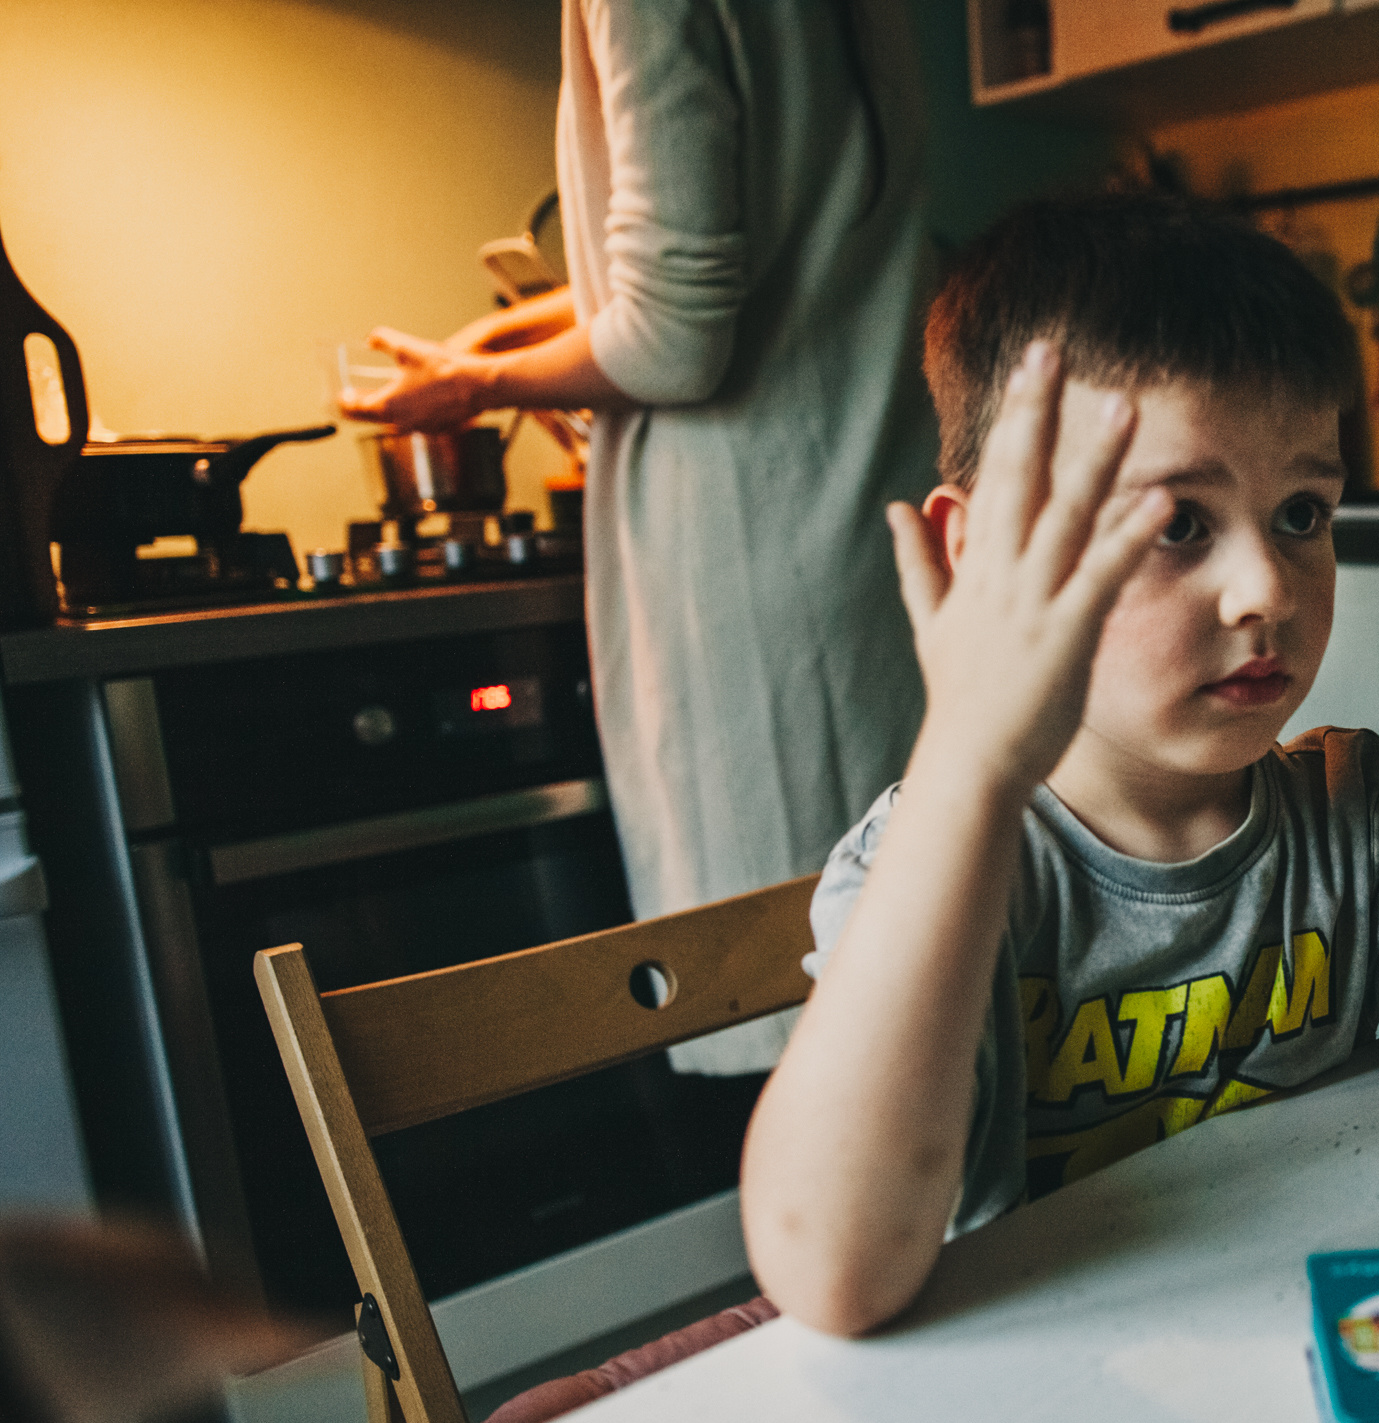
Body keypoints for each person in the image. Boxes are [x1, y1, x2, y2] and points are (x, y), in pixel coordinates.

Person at [739, 193, 1379, 1338]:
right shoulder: (932, 864)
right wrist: (971, 764)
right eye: (1180, 523)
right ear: (979, 551)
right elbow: (834, 1278)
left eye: (1300, 512)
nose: (1269, 589)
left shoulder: (1357, 819)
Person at [342, 0, 936, 1079]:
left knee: (802, 1008)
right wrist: (499, 340)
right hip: (877, 505)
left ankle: (839, 1247)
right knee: (917, 971)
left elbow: (671, 345)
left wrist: (476, 383)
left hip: (753, 552)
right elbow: (745, 253)